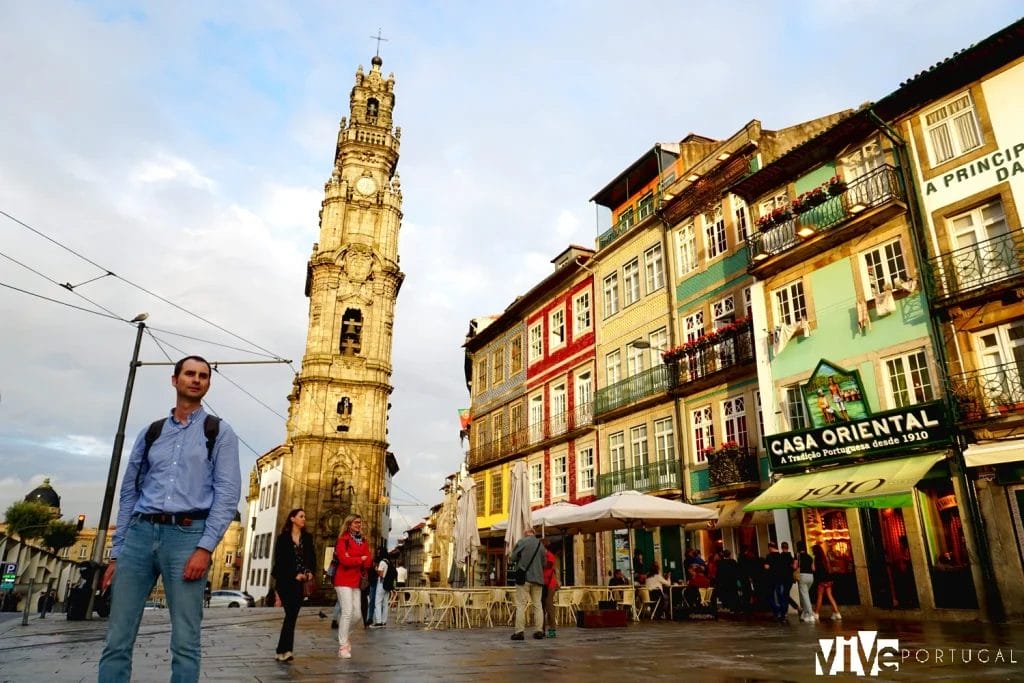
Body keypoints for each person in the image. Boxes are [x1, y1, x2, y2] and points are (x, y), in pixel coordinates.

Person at [98, 355, 241, 683]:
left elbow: (227, 493)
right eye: (189, 374)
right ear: (174, 379)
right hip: (139, 534)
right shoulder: (151, 433)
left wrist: (205, 548)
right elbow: (129, 493)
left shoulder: (219, 432)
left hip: (187, 537)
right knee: (117, 638)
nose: (196, 379)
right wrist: (117, 552)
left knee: (185, 640)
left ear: (208, 384)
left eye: (203, 376)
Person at [271, 508, 316, 663]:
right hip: (285, 582)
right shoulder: (283, 539)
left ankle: (284, 651)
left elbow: (312, 558)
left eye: (305, 516)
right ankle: (283, 650)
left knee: (291, 616)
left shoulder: (307, 539)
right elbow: (280, 562)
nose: (304, 519)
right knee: (291, 616)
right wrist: (293, 574)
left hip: (299, 584)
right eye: (301, 516)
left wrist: (309, 572)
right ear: (292, 519)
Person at [332, 514, 373, 659]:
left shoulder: (364, 541)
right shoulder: (343, 540)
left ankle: (344, 636)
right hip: (342, 579)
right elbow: (344, 560)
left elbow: (368, 562)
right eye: (356, 523)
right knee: (348, 611)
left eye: (360, 523)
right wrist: (359, 559)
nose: (358, 525)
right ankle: (343, 646)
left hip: (356, 581)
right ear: (349, 524)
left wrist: (356, 559)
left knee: (357, 615)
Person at [509, 528, 545, 641]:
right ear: (534, 534)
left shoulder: (522, 542)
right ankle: (539, 631)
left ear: (525, 534)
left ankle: (519, 632)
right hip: (538, 579)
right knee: (537, 605)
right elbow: (544, 563)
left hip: (523, 578)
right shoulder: (541, 545)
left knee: (521, 605)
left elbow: (512, 558)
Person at [813, 543, 842, 621]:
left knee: (820, 596)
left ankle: (816, 613)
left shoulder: (816, 559)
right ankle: (837, 613)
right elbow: (829, 569)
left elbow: (814, 569)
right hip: (828, 579)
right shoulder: (825, 557)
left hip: (821, 580)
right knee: (830, 596)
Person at [764, 543, 790, 622]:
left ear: (770, 548)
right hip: (781, 578)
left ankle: (777, 612)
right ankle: (783, 613)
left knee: (773, 596)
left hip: (772, 579)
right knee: (782, 596)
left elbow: (766, 567)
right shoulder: (781, 556)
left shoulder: (769, 556)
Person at [540, 538, 559, 638]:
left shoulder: (550, 556)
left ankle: (552, 629)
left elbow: (548, 565)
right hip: (542, 584)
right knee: (541, 607)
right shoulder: (542, 556)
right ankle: (541, 629)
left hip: (550, 584)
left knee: (549, 606)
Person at [371, 547, 394, 628]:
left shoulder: (382, 562)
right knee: (385, 604)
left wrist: (376, 569)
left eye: (379, 552)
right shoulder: (389, 562)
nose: (378, 554)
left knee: (377, 602)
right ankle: (384, 622)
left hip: (381, 583)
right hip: (387, 585)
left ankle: (378, 622)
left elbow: (381, 574)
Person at [796, 541, 816, 622]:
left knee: (805, 596)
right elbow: (813, 568)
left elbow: (795, 566)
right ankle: (804, 614)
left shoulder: (798, 556)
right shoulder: (810, 556)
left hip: (803, 576)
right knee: (805, 595)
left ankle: (810, 614)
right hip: (811, 577)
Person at [779, 541, 800, 615]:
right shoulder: (791, 557)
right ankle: (788, 610)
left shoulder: (780, 557)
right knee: (786, 594)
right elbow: (794, 567)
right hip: (790, 579)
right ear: (788, 548)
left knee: (784, 594)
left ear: (781, 547)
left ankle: (794, 608)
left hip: (782, 578)